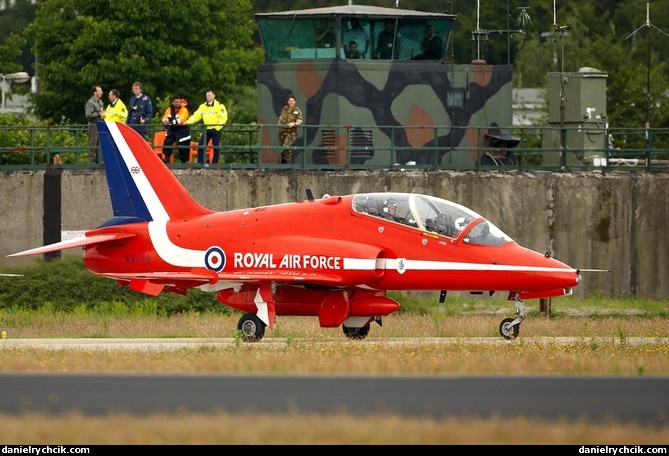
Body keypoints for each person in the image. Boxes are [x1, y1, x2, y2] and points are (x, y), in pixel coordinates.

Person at [187, 90, 229, 164]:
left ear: (213, 96)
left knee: (216, 147)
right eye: (207, 96)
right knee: (201, 145)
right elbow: (196, 116)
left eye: (209, 95)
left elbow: (223, 118)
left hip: (216, 128)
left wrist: (217, 127)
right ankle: (200, 163)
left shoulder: (219, 106)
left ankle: (214, 164)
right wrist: (187, 122)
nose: (208, 97)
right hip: (207, 128)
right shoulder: (203, 106)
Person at [161, 96, 191, 164]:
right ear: (173, 102)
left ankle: (184, 162)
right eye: (176, 102)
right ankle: (167, 158)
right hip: (172, 129)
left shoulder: (184, 110)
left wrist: (170, 122)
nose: (178, 104)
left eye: (179, 102)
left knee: (184, 145)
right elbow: (165, 117)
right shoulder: (169, 109)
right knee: (168, 142)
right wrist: (164, 120)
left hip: (182, 130)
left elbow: (182, 119)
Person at [277, 94, 303, 164]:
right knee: (283, 147)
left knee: (286, 146)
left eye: (292, 101)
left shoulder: (297, 111)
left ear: (295, 102)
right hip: (282, 132)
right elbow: (281, 118)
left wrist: (293, 123)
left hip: (291, 132)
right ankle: (284, 161)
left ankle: (287, 161)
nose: (291, 102)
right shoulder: (284, 109)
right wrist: (279, 124)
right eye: (290, 101)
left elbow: (300, 121)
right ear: (288, 102)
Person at [84, 85, 105, 164]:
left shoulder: (100, 102)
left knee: (99, 144)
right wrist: (99, 114)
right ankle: (92, 163)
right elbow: (88, 115)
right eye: (99, 91)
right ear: (95, 92)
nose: (101, 92)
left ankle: (99, 161)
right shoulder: (90, 103)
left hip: (100, 125)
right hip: (93, 125)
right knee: (93, 144)